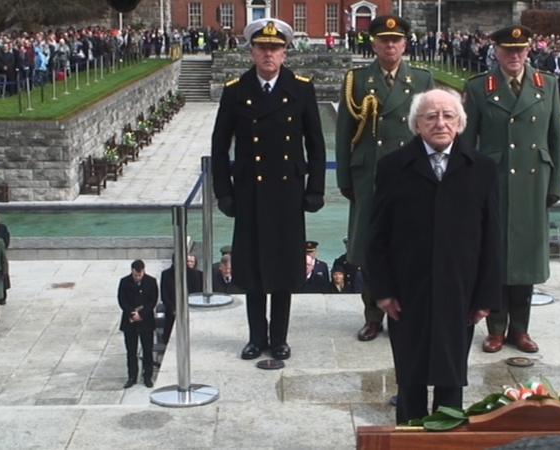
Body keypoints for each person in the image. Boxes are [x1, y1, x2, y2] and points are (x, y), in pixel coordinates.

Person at [367, 88, 501, 424]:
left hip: (460, 290)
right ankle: (409, 438)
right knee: (410, 376)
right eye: (431, 117)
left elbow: (492, 238)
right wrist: (382, 292)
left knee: (451, 377)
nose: (440, 123)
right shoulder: (392, 167)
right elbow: (377, 237)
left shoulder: (482, 169)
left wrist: (485, 297)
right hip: (408, 290)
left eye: (448, 116)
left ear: (460, 124)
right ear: (416, 124)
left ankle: (447, 439)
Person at [211, 19, 326, 362]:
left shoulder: (301, 88)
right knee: (252, 266)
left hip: (288, 191)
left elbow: (316, 144)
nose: (268, 54)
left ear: (284, 53)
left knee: (282, 265)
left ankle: (279, 338)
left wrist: (315, 189)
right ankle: (255, 336)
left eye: (275, 48)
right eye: (262, 48)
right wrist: (224, 192)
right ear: (252, 52)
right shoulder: (236, 90)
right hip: (250, 190)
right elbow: (220, 146)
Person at [462, 25, 560, 355]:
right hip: (495, 181)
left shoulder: (546, 85)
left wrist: (555, 183)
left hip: (533, 182)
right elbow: (467, 144)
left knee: (525, 258)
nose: (515, 56)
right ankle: (495, 327)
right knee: (495, 253)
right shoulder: (480, 88)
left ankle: (520, 329)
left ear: (529, 50)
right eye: (508, 50)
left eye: (520, 50)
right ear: (497, 51)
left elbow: (555, 140)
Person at [335, 14, 434, 342]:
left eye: (396, 40)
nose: (390, 45)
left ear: (405, 44)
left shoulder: (421, 80)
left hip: (411, 174)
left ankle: (405, 313)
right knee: (371, 246)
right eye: (383, 40)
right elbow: (344, 132)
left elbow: (432, 128)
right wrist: (346, 177)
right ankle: (373, 315)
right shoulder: (357, 79)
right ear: (373, 43)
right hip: (371, 174)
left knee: (408, 246)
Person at [117, 259, 158, 388]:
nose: (137, 277)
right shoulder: (124, 282)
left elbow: (153, 300)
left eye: (139, 275)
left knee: (147, 350)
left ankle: (147, 376)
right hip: (130, 322)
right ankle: (132, 376)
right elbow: (122, 299)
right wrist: (131, 313)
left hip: (146, 321)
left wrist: (142, 313)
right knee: (131, 351)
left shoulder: (151, 282)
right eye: (135, 275)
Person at [159, 254, 203, 345]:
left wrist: (187, 308)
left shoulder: (194, 274)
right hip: (172, 313)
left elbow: (196, 293)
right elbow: (164, 295)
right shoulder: (166, 274)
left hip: (190, 311)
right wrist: (174, 309)